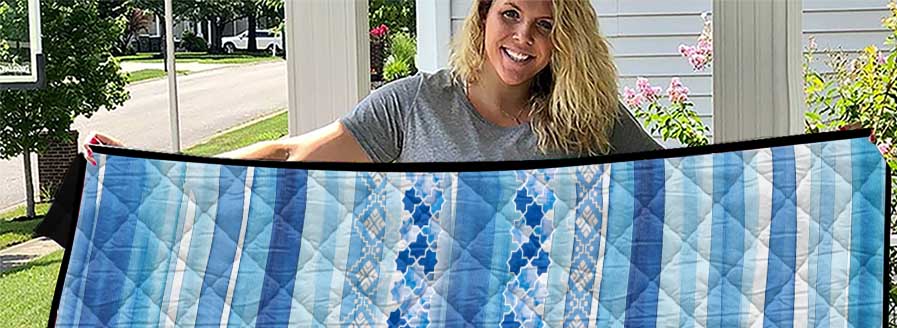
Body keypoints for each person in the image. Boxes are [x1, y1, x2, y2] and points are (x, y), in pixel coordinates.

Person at [85, 0, 660, 165]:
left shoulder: (588, 115)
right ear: (482, 16)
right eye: (510, 14)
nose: (523, 37)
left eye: (544, 25)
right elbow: (292, 153)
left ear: (565, 39)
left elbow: (684, 187)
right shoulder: (415, 105)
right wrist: (148, 164)